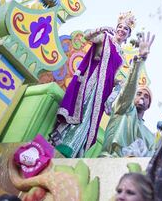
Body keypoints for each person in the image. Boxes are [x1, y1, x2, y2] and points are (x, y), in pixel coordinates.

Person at [49, 11, 136, 158]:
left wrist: (118, 82)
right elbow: (87, 36)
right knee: (81, 111)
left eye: (125, 29)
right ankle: (61, 142)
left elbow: (111, 74)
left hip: (104, 91)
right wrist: (101, 28)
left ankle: (75, 148)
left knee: (89, 120)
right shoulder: (105, 39)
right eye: (120, 27)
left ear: (128, 35)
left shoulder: (121, 56)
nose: (122, 30)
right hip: (91, 82)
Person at [100, 33, 156, 157]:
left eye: (146, 96)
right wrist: (140, 60)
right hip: (109, 160)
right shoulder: (124, 109)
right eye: (139, 93)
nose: (142, 97)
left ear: (149, 105)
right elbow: (129, 89)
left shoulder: (150, 136)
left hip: (131, 173)